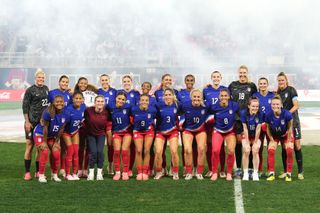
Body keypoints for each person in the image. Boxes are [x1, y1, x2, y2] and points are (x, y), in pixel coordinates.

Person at [228, 65, 257, 178]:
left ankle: (250, 168)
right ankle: (239, 168)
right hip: (236, 119)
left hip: (249, 119)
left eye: (244, 72)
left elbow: (256, 99)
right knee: (239, 144)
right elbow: (224, 94)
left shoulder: (252, 86)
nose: (242, 74)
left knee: (249, 143)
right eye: (240, 72)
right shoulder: (233, 85)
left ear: (247, 73)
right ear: (238, 73)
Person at [33, 95, 67, 183]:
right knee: (44, 151)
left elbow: (61, 129)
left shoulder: (65, 112)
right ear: (53, 103)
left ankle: (54, 174)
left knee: (56, 152)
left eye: (61, 101)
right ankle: (41, 175)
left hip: (51, 136)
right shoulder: (48, 112)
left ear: (63, 102)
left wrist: (56, 142)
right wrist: (44, 142)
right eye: (57, 102)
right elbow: (45, 128)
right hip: (40, 134)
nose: (59, 103)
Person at [22, 68, 49, 180]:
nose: (41, 79)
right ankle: (27, 172)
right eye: (39, 77)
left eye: (42, 78)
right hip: (32, 123)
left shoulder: (46, 89)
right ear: (35, 78)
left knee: (40, 148)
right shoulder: (30, 90)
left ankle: (38, 172)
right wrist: (27, 122)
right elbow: (25, 106)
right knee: (29, 145)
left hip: (42, 125)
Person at [277, 72, 304, 180]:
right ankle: (285, 171)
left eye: (282, 80)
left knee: (297, 146)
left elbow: (297, 105)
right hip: (284, 124)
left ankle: (300, 171)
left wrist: (287, 114)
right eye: (279, 80)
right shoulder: (279, 93)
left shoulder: (291, 90)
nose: (280, 82)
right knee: (284, 146)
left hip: (294, 122)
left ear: (286, 80)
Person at [210, 89, 240, 181]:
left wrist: (239, 132)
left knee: (231, 151)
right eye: (221, 95)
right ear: (219, 97)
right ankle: (214, 172)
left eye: (225, 95)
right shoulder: (214, 107)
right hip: (218, 130)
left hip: (230, 131)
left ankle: (229, 173)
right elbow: (207, 115)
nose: (223, 97)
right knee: (215, 150)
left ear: (228, 97)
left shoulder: (234, 105)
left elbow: (240, 117)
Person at [203, 70, 227, 178]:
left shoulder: (225, 89)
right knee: (209, 145)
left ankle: (221, 169)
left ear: (221, 78)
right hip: (209, 121)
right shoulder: (206, 90)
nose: (216, 78)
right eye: (214, 77)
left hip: (220, 120)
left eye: (218, 76)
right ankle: (210, 169)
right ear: (211, 78)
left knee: (220, 146)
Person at [154, 74, 179, 176]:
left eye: (170, 79)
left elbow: (183, 110)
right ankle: (161, 170)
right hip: (161, 129)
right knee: (159, 151)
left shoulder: (177, 102)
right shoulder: (157, 96)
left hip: (173, 129)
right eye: (166, 79)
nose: (168, 81)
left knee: (174, 151)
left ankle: (174, 171)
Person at [180, 89, 208, 180]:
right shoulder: (184, 105)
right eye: (194, 97)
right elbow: (175, 110)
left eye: (198, 97)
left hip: (200, 130)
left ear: (201, 98)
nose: (196, 99)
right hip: (188, 129)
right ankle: (189, 172)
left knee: (201, 148)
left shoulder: (206, 106)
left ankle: (199, 172)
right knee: (187, 149)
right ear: (191, 97)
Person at [265, 96, 294, 182]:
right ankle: (271, 173)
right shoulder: (268, 115)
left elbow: (290, 128)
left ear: (281, 105)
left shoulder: (287, 114)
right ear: (271, 105)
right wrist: (271, 140)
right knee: (270, 150)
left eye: (277, 104)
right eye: (273, 104)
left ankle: (288, 174)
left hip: (286, 135)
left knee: (289, 150)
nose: (275, 106)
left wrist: (288, 141)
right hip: (275, 136)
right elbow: (267, 129)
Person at [48, 75, 71, 178]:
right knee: (52, 147)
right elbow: (47, 106)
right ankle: (52, 169)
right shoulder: (52, 93)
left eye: (66, 82)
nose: (65, 84)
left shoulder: (69, 94)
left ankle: (62, 168)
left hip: (64, 122)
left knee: (63, 147)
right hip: (53, 123)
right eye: (63, 82)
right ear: (59, 82)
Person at [74, 77, 97, 178]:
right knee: (80, 147)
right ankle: (79, 169)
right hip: (79, 125)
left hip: (89, 124)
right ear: (78, 84)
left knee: (88, 148)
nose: (83, 85)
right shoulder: (74, 95)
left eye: (85, 83)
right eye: (81, 83)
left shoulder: (91, 93)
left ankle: (85, 169)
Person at [118, 75, 140, 177]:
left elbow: (138, 106)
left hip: (133, 122)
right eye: (124, 81)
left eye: (128, 81)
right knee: (120, 148)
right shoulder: (118, 93)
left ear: (131, 82)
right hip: (122, 123)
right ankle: (120, 169)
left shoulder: (136, 93)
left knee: (132, 147)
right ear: (122, 82)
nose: (126, 83)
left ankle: (129, 169)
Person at [132, 95, 157, 180]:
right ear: (139, 101)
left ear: (149, 102)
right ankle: (139, 172)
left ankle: (145, 171)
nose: (144, 102)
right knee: (138, 150)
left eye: (146, 100)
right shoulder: (133, 109)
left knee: (147, 150)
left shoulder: (153, 110)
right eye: (142, 100)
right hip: (137, 131)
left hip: (148, 131)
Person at [108, 92, 132, 181]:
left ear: (125, 101)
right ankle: (117, 172)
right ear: (115, 98)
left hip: (127, 132)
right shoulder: (110, 107)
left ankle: (125, 172)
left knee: (125, 151)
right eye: (119, 99)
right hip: (116, 132)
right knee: (117, 151)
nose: (121, 101)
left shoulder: (128, 107)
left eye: (123, 99)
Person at [252, 77, 274, 175]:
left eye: (264, 83)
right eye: (260, 83)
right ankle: (259, 169)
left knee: (270, 148)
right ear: (258, 85)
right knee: (258, 148)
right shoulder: (255, 96)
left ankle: (270, 170)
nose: (262, 85)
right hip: (259, 126)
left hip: (270, 125)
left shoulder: (272, 95)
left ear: (267, 84)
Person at [84, 95, 109, 181]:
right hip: (90, 135)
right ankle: (91, 173)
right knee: (93, 152)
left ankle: (99, 173)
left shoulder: (106, 112)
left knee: (100, 152)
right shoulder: (88, 111)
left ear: (104, 103)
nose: (100, 103)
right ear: (94, 103)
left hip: (101, 135)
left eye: (102, 101)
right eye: (98, 101)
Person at [62, 92, 86, 180]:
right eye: (76, 98)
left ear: (83, 100)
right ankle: (67, 174)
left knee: (76, 152)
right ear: (72, 99)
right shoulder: (68, 109)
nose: (78, 100)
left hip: (75, 131)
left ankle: (74, 173)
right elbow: (63, 124)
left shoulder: (84, 107)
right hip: (66, 132)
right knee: (70, 151)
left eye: (80, 98)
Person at [97, 74, 117, 175]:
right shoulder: (97, 92)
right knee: (98, 146)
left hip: (109, 121)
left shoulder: (114, 91)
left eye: (106, 80)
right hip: (99, 120)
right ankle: (97, 167)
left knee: (110, 144)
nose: (104, 82)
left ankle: (110, 165)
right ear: (100, 81)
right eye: (102, 80)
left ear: (109, 81)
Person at [240, 97, 262, 181]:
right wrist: (247, 141)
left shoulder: (260, 114)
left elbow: (258, 128)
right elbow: (245, 128)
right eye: (253, 106)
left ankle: (255, 173)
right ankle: (245, 173)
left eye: (257, 106)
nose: (255, 108)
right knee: (246, 149)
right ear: (249, 106)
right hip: (246, 135)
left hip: (255, 136)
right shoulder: (243, 113)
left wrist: (255, 142)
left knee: (255, 150)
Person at [140, 81, 157, 176]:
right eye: (144, 86)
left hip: (150, 127)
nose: (145, 88)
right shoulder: (138, 97)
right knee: (140, 149)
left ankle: (150, 168)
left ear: (150, 88)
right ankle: (142, 168)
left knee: (149, 149)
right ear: (141, 87)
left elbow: (155, 112)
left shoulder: (153, 99)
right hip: (138, 127)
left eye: (148, 86)